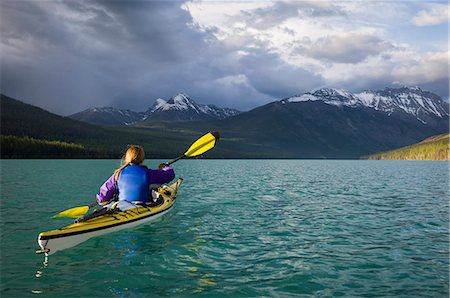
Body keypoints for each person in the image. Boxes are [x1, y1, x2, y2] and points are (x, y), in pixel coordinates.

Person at [96, 145, 175, 211]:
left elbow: (104, 194)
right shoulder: (148, 173)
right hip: (140, 207)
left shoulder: (117, 174)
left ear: (127, 158)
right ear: (142, 159)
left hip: (121, 205)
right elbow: (170, 175)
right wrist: (165, 167)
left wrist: (102, 200)